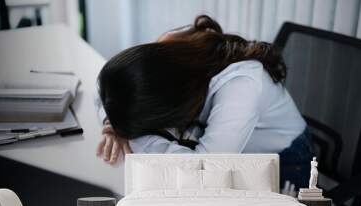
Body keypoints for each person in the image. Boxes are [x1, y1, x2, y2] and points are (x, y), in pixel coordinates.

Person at [95, 15, 313, 190]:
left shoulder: (240, 87)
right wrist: (111, 123)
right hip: (232, 148)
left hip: (286, 161)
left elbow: (206, 172)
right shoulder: (171, 56)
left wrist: (141, 137)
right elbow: (107, 90)